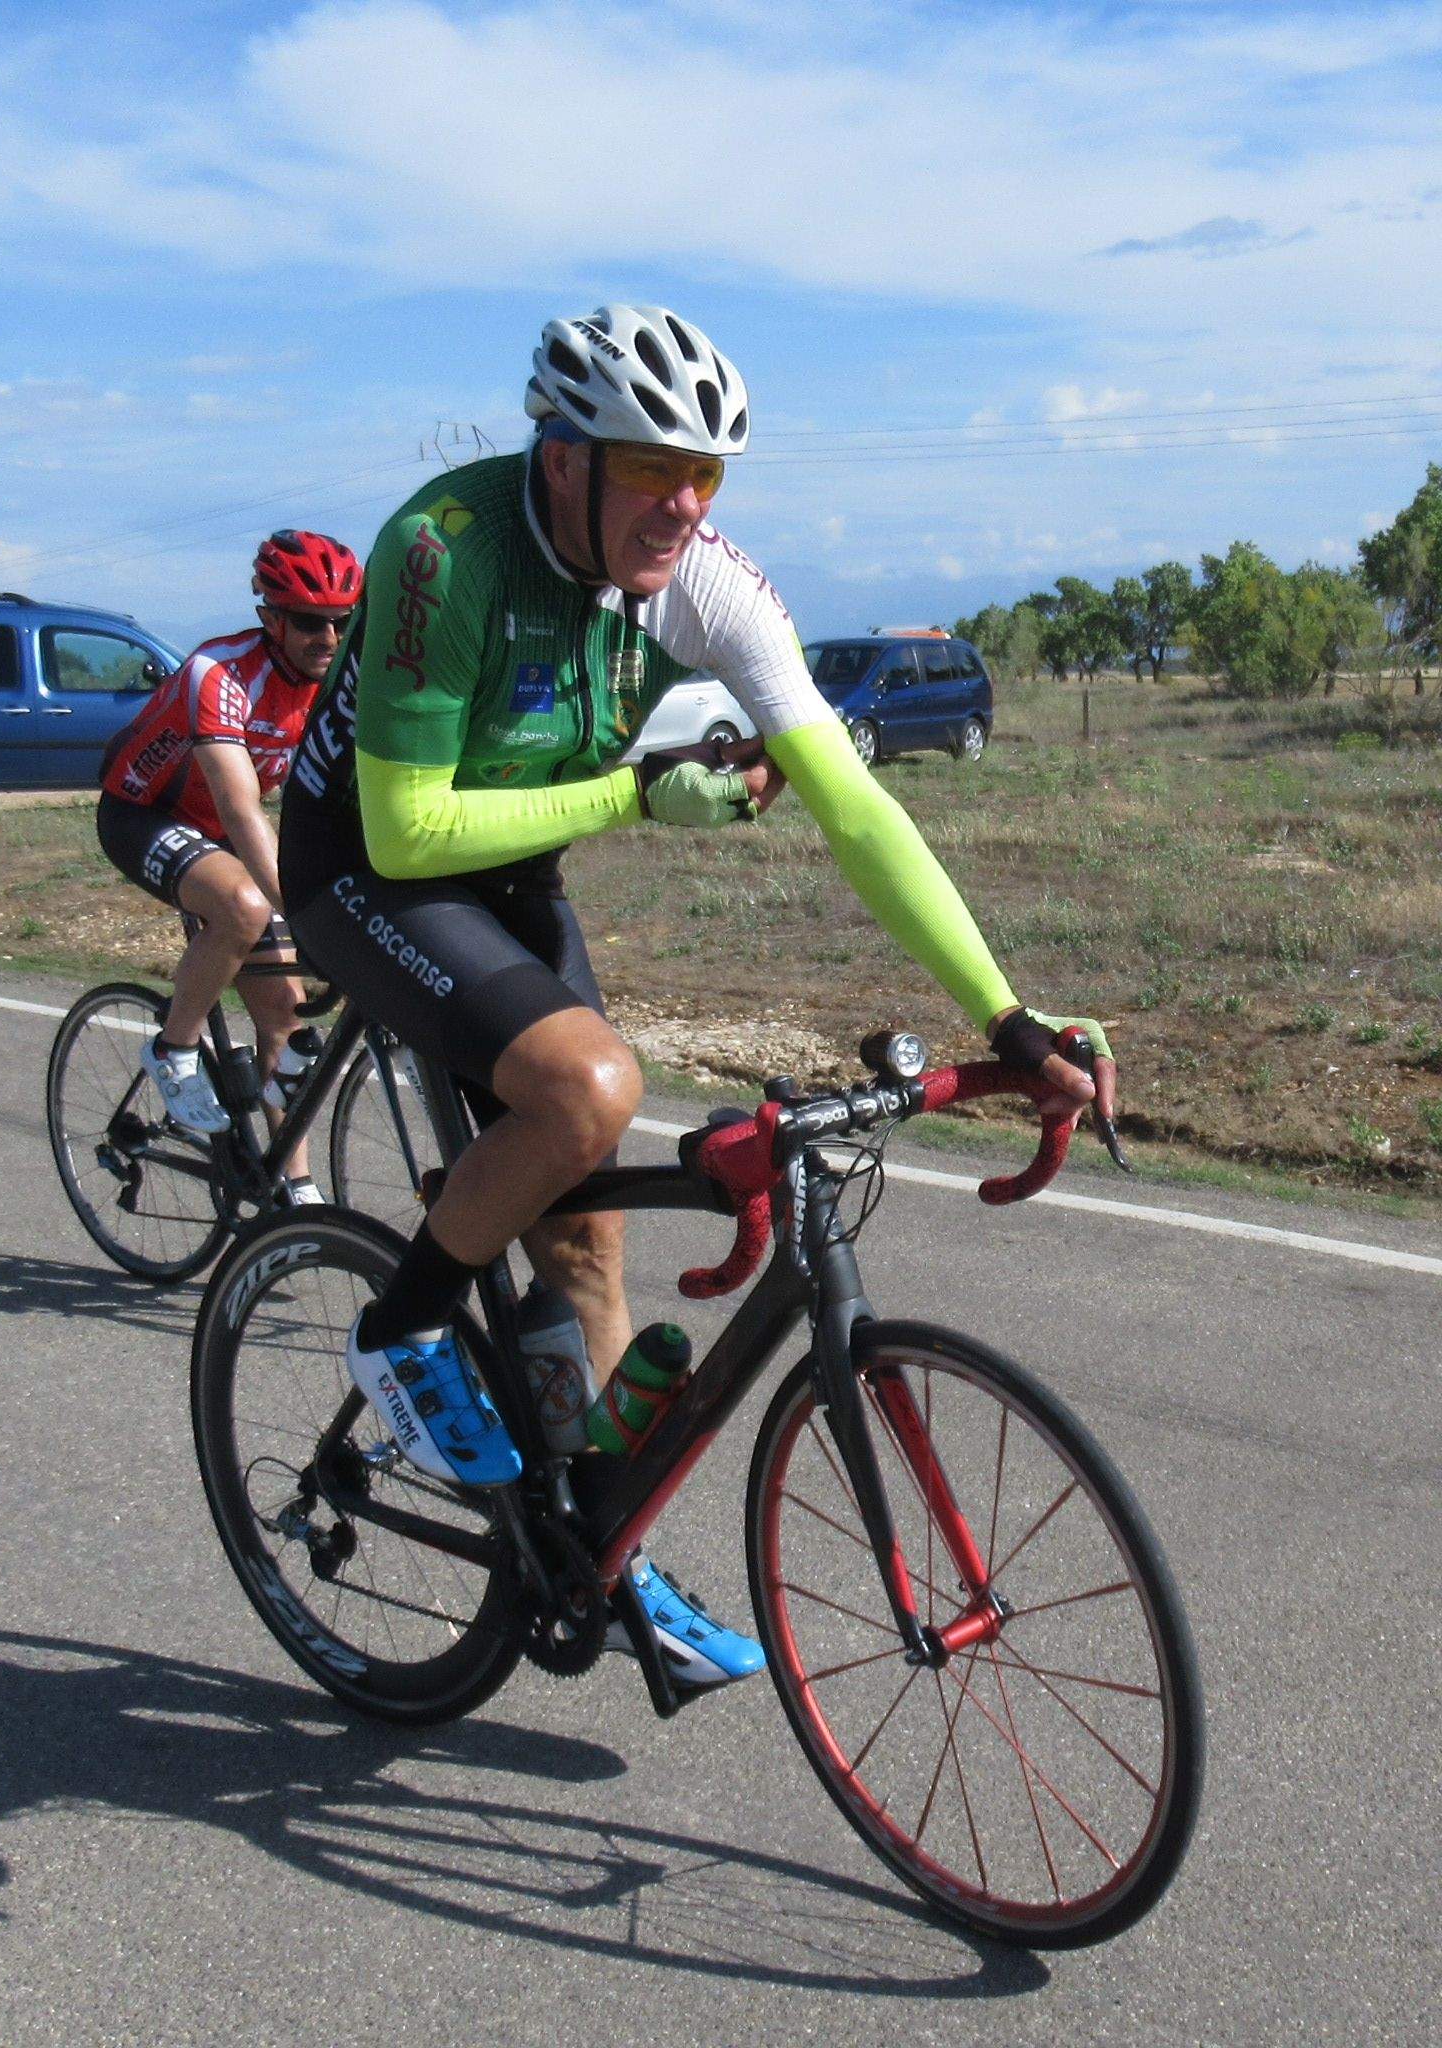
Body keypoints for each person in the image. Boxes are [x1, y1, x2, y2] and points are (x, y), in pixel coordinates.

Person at [277, 304, 1115, 1690]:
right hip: (365, 863)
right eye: (653, 466)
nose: (683, 502)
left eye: (708, 473)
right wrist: (636, 796)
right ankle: (400, 1325)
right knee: (591, 1086)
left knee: (589, 1228)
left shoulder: (705, 582)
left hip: (513, 859)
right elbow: (415, 833)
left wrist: (1006, 1013)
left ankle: (607, 1547)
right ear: (561, 457)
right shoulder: (443, 552)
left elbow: (855, 804)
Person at [97, 530, 363, 1196]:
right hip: (145, 816)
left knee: (283, 1011)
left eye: (343, 619)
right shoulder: (217, 673)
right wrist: (304, 917)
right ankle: (173, 1047)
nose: (328, 637)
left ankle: (292, 1190)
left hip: (215, 835)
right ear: (270, 617)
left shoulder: (340, 684)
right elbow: (243, 812)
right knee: (243, 905)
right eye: (309, 621)